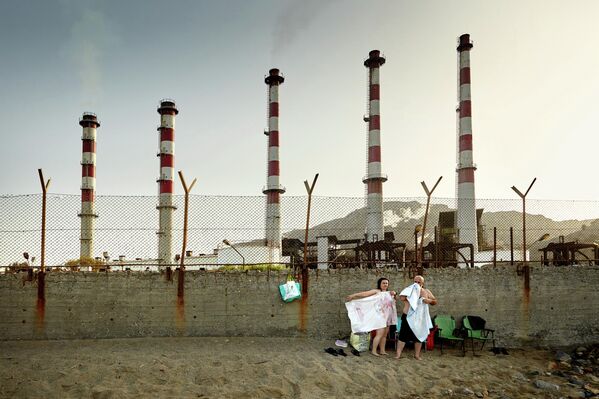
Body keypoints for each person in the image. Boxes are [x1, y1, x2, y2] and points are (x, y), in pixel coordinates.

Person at [346, 277, 396, 356]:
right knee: (379, 334)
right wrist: (354, 295)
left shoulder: (389, 293)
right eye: (383, 283)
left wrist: (394, 296)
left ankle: (382, 350)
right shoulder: (377, 291)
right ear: (379, 284)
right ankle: (374, 350)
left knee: (384, 335)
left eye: (386, 283)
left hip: (388, 317)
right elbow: (365, 294)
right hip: (380, 316)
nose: (385, 284)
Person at [395, 275, 437, 360]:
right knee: (403, 336)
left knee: (419, 336)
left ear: (422, 283)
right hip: (407, 316)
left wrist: (429, 301)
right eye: (415, 282)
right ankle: (398, 355)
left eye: (419, 282)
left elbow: (435, 301)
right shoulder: (409, 289)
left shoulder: (426, 291)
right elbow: (402, 297)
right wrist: (412, 297)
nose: (417, 283)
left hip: (420, 318)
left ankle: (417, 355)